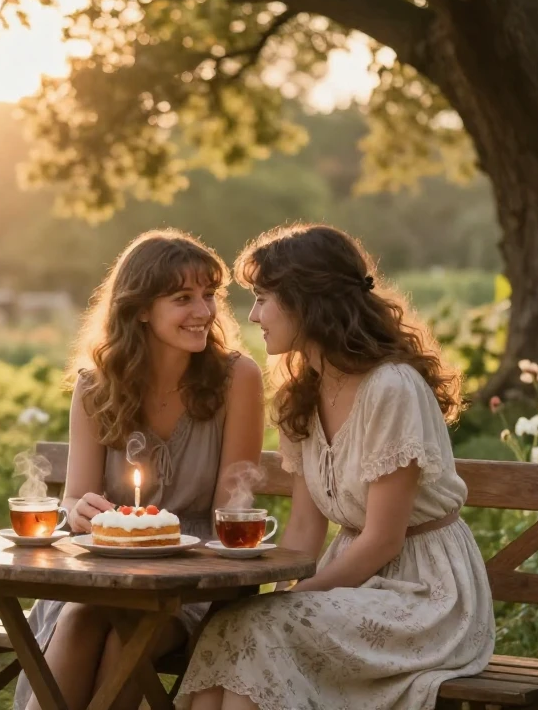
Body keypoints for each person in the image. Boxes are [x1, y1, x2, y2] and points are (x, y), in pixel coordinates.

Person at [180, 223, 494, 710]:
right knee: (229, 626)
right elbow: (306, 527)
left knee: (259, 627)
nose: (254, 315)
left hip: (424, 595)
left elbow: (383, 539)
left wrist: (293, 598)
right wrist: (280, 592)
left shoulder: (391, 388)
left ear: (307, 301)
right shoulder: (302, 394)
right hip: (353, 583)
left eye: (263, 299)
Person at [14, 228, 264, 710]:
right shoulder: (96, 386)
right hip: (106, 572)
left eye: (209, 295)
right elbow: (74, 498)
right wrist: (79, 511)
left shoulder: (237, 378)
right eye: (183, 298)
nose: (204, 311)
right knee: (79, 620)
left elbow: (229, 516)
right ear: (142, 308)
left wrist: (171, 559)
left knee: (125, 640)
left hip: (194, 580)